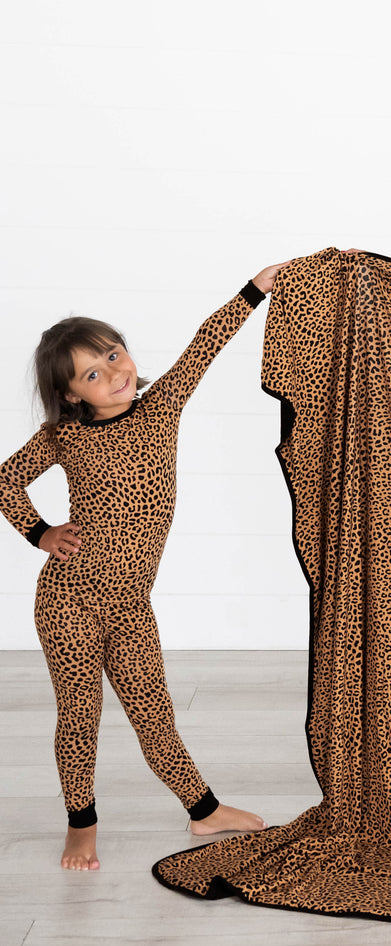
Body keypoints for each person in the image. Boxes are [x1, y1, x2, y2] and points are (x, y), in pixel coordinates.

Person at [0, 261, 288, 871]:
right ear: (72, 393)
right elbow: (6, 481)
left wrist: (253, 290)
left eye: (113, 355)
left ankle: (201, 807)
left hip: (131, 605)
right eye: (92, 373)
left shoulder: (161, 409)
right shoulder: (64, 437)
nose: (114, 373)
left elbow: (202, 345)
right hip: (69, 602)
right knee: (80, 713)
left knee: (154, 710)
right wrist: (40, 531)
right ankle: (82, 822)